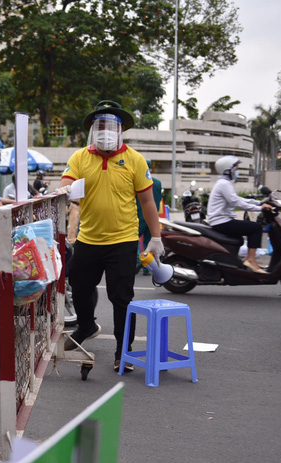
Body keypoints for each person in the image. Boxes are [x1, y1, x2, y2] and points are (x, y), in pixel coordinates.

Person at [57, 100, 162, 372]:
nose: (105, 130)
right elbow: (66, 183)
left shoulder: (135, 160)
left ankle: (122, 352)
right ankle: (87, 326)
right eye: (100, 124)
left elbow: (148, 203)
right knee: (79, 288)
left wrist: (156, 237)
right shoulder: (80, 157)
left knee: (121, 298)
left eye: (111, 125)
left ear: (121, 129)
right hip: (88, 239)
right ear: (93, 129)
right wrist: (65, 190)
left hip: (123, 241)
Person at [206, 156, 272, 273]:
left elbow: (237, 199)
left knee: (247, 229)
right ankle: (250, 259)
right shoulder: (224, 184)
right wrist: (259, 208)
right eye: (235, 169)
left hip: (222, 220)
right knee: (255, 228)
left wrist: (259, 202)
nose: (237, 171)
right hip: (221, 221)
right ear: (228, 170)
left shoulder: (224, 183)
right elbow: (236, 202)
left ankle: (242, 260)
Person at [136, 160, 163, 274]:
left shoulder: (139, 182)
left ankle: (138, 261)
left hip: (140, 215)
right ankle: (147, 267)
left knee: (134, 238)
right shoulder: (157, 183)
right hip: (153, 216)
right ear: (151, 169)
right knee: (149, 242)